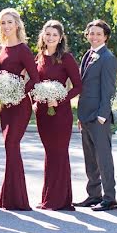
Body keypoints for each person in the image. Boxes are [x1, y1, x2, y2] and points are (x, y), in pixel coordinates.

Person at [33, 20, 82, 211]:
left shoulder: (66, 59)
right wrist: (35, 99)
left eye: (55, 35)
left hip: (60, 113)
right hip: (43, 113)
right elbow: (34, 83)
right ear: (43, 36)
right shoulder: (39, 57)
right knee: (49, 154)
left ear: (60, 38)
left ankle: (60, 200)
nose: (50, 37)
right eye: (48, 34)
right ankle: (48, 197)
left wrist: (60, 99)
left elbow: (78, 86)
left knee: (59, 153)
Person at [0, 8, 39, 211]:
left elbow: (35, 78)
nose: (6, 26)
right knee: (9, 148)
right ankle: (8, 197)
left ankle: (19, 200)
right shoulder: (2, 49)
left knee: (12, 145)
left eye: (9, 22)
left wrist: (20, 91)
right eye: (3, 22)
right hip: (5, 106)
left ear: (17, 25)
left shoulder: (23, 49)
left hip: (20, 105)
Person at [74, 19, 117, 212]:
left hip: (99, 116)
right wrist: (80, 116)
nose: (94, 36)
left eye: (98, 34)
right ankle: (94, 195)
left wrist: (102, 115)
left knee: (103, 158)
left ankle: (110, 198)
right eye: (91, 33)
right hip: (85, 114)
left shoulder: (108, 58)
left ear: (105, 37)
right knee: (90, 158)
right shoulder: (88, 55)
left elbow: (109, 89)